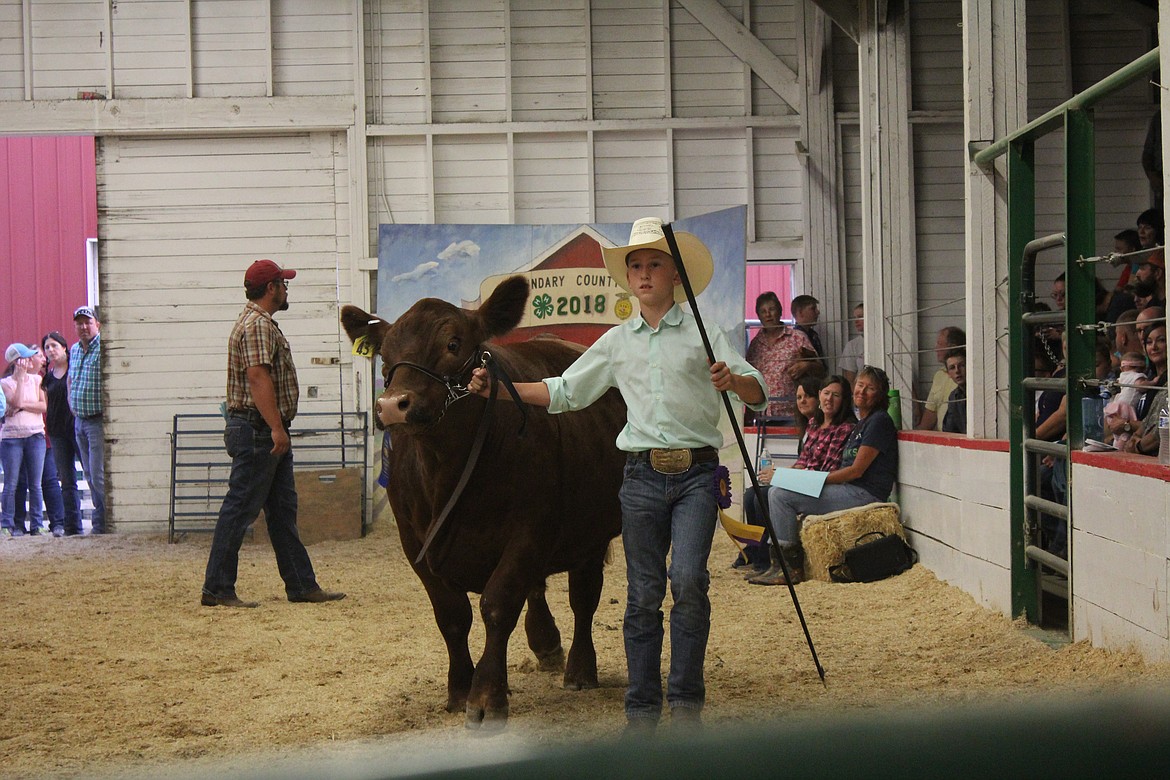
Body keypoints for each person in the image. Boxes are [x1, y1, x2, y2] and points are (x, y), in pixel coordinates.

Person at [466, 217, 767, 735]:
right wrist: (500, 390)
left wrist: (734, 379)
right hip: (641, 478)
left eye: (654, 264)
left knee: (689, 581)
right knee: (644, 592)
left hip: (696, 474)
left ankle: (687, 706)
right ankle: (643, 711)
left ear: (674, 276)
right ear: (628, 279)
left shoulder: (704, 332)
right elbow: (564, 391)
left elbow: (757, 390)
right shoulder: (615, 342)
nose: (645, 273)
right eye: (636, 266)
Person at [201, 259, 346, 608]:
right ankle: (218, 587)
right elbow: (257, 377)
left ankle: (301, 584)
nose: (286, 289)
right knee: (239, 509)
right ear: (271, 289)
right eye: (283, 283)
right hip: (259, 429)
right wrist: (276, 428)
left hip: (258, 428)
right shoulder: (258, 326)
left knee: (281, 511)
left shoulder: (257, 323)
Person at [764, 365, 900, 585]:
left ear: (880, 395)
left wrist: (817, 479)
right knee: (776, 492)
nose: (862, 392)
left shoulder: (879, 422)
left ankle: (790, 568)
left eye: (870, 388)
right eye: (859, 385)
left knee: (781, 495)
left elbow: (857, 471)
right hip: (848, 488)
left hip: (865, 493)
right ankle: (776, 563)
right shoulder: (862, 424)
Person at [749, 374, 858, 586]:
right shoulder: (814, 425)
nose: (829, 399)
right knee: (757, 493)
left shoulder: (845, 429)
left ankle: (790, 566)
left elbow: (827, 469)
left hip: (822, 483)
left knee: (777, 494)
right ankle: (769, 562)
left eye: (836, 395)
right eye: (826, 393)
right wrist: (785, 475)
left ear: (844, 400)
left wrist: (786, 477)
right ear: (820, 395)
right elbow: (803, 461)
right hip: (807, 479)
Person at [737, 375, 821, 575]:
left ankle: (769, 560)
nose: (802, 401)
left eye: (808, 396)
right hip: (803, 477)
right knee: (752, 494)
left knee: (764, 496)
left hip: (813, 481)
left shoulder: (820, 428)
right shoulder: (808, 428)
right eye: (799, 397)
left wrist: (782, 475)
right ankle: (756, 554)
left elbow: (812, 467)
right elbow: (802, 462)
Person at [2, 344, 48, 538]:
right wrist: (20, 379)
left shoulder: (38, 379)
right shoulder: (5, 383)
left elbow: (43, 406)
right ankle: (7, 523)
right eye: (26, 358)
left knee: (35, 484)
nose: (30, 361)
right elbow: (16, 401)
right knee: (11, 483)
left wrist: (22, 408)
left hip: (35, 435)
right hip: (12, 438)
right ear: (16, 362)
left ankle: (37, 524)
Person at [745, 291, 814, 419]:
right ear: (759, 316)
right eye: (763, 311)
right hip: (762, 417)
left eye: (772, 309)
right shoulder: (755, 344)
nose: (768, 315)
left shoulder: (798, 338)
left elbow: (820, 371)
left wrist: (807, 366)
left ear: (780, 311)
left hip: (792, 415)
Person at [68, 306, 106, 534]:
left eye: (87, 322)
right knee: (89, 474)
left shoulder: (103, 348)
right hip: (79, 420)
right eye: (79, 323)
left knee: (98, 473)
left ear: (97, 324)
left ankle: (102, 520)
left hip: (97, 420)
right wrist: (73, 407)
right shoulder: (74, 350)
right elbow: (71, 380)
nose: (83, 327)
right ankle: (99, 517)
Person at [43, 331, 83, 536]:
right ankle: (73, 526)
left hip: (76, 428)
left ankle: (101, 521)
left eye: (54, 346)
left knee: (92, 474)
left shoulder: (74, 370)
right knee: (66, 481)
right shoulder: (48, 378)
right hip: (57, 432)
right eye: (47, 347)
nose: (51, 350)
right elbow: (48, 406)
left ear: (64, 348)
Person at [916, 326, 965, 431]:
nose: (936, 349)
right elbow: (930, 414)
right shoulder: (939, 375)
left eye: (940, 344)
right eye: (952, 368)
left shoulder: (965, 376)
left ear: (952, 347)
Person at [838, 303, 865, 386]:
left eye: (860, 317)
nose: (856, 321)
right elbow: (850, 380)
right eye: (854, 318)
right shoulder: (852, 345)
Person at [941, 349, 967, 434]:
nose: (957, 371)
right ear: (948, 374)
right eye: (952, 368)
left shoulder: (981, 391)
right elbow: (949, 430)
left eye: (961, 365)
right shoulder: (954, 397)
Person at [790, 294, 824, 358]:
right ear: (800, 312)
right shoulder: (795, 339)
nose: (818, 312)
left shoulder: (813, 335)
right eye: (813, 309)